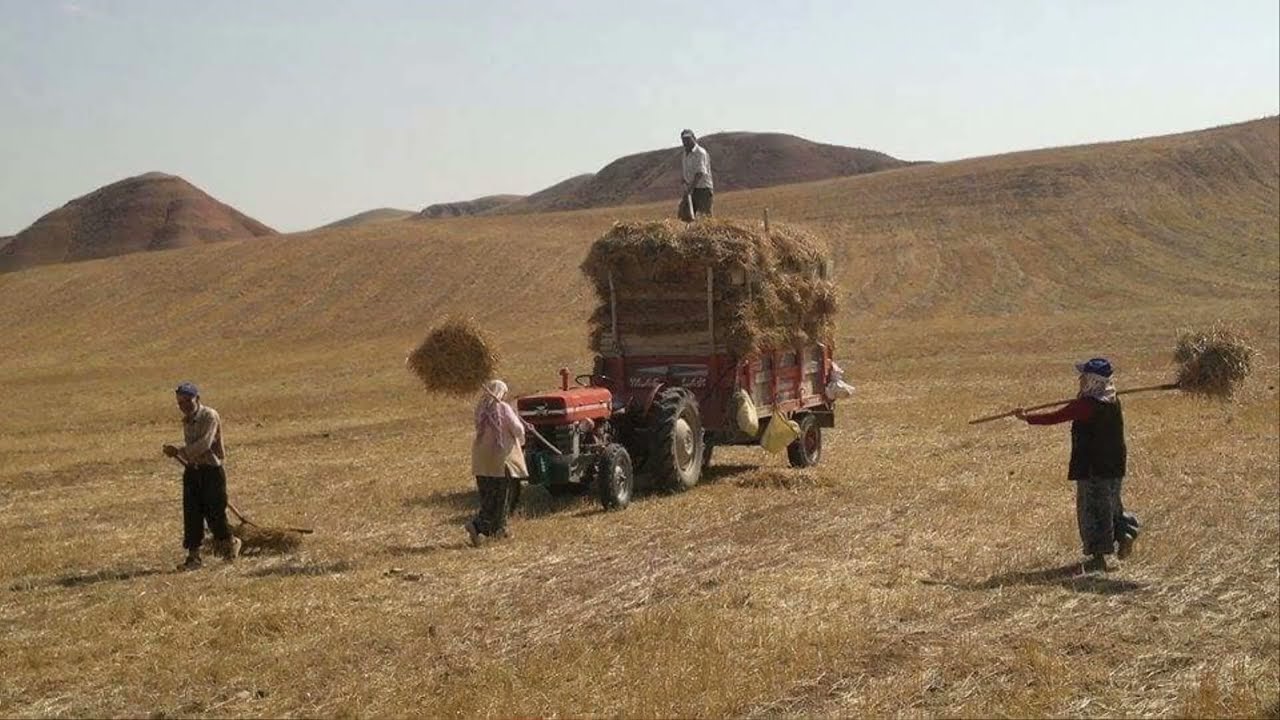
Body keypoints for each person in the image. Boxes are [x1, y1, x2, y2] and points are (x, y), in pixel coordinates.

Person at [1015, 358, 1139, 573]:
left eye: (1083, 376)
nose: (1079, 379)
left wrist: (1026, 417)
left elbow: (1054, 417)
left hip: (1092, 466)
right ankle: (1124, 533)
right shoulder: (1112, 398)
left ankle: (1098, 557)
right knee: (1112, 504)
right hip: (1114, 463)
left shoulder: (1086, 406)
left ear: (1092, 380)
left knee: (1092, 510)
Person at [162, 382, 240, 570]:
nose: (184, 406)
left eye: (187, 401)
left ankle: (231, 541)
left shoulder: (209, 416)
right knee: (192, 514)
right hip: (192, 471)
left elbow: (205, 443)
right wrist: (180, 454)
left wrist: (180, 452)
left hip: (211, 471)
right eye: (180, 403)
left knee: (215, 514)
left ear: (197, 398)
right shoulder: (187, 420)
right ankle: (194, 557)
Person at [466, 379, 530, 546]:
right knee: (502, 496)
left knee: (487, 496)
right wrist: (523, 430)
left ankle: (486, 527)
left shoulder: (480, 409)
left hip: (481, 460)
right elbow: (518, 430)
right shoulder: (503, 408)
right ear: (501, 392)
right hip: (500, 460)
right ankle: (492, 528)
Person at [679, 129, 714, 220]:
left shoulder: (700, 153)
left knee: (705, 217)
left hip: (702, 189)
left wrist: (690, 189)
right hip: (690, 189)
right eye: (684, 140)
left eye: (688, 139)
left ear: (694, 138)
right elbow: (686, 171)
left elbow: (700, 173)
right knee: (685, 215)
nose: (686, 142)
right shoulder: (684, 154)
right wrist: (684, 181)